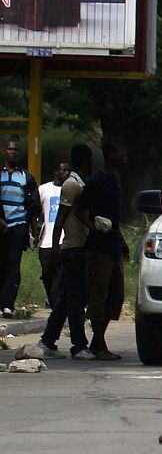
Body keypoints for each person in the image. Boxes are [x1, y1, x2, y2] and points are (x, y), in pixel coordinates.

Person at [37, 145, 92, 358]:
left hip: (77, 247)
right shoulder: (71, 186)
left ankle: (47, 341)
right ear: (86, 160)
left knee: (65, 299)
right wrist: (55, 249)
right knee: (75, 300)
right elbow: (60, 218)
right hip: (72, 248)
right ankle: (78, 345)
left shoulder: (78, 183)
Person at [77, 139, 127, 359]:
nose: (123, 156)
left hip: (114, 244)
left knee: (115, 295)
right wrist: (93, 227)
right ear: (109, 154)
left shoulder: (115, 179)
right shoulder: (95, 181)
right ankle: (99, 344)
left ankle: (98, 341)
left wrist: (122, 240)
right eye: (119, 152)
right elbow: (80, 211)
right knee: (99, 295)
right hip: (98, 248)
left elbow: (115, 217)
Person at [0, 136, 41, 316]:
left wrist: (33, 230)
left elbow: (33, 206)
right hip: (1, 226)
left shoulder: (26, 176)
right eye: (10, 149)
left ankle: (8, 304)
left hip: (18, 226)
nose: (13, 152)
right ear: (4, 151)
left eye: (16, 150)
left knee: (13, 265)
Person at [36, 160, 69, 306]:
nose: (66, 173)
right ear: (56, 172)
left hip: (64, 241)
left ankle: (57, 305)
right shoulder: (44, 189)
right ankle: (52, 299)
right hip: (47, 241)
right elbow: (37, 213)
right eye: (64, 171)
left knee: (61, 275)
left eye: (68, 171)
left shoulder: (71, 189)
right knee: (47, 274)